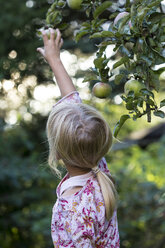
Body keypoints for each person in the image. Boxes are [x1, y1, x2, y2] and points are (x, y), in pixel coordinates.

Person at [37, 28, 120, 248]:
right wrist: (54, 59)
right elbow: (71, 100)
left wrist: (54, 57)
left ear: (56, 153)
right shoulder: (99, 169)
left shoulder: (72, 208)